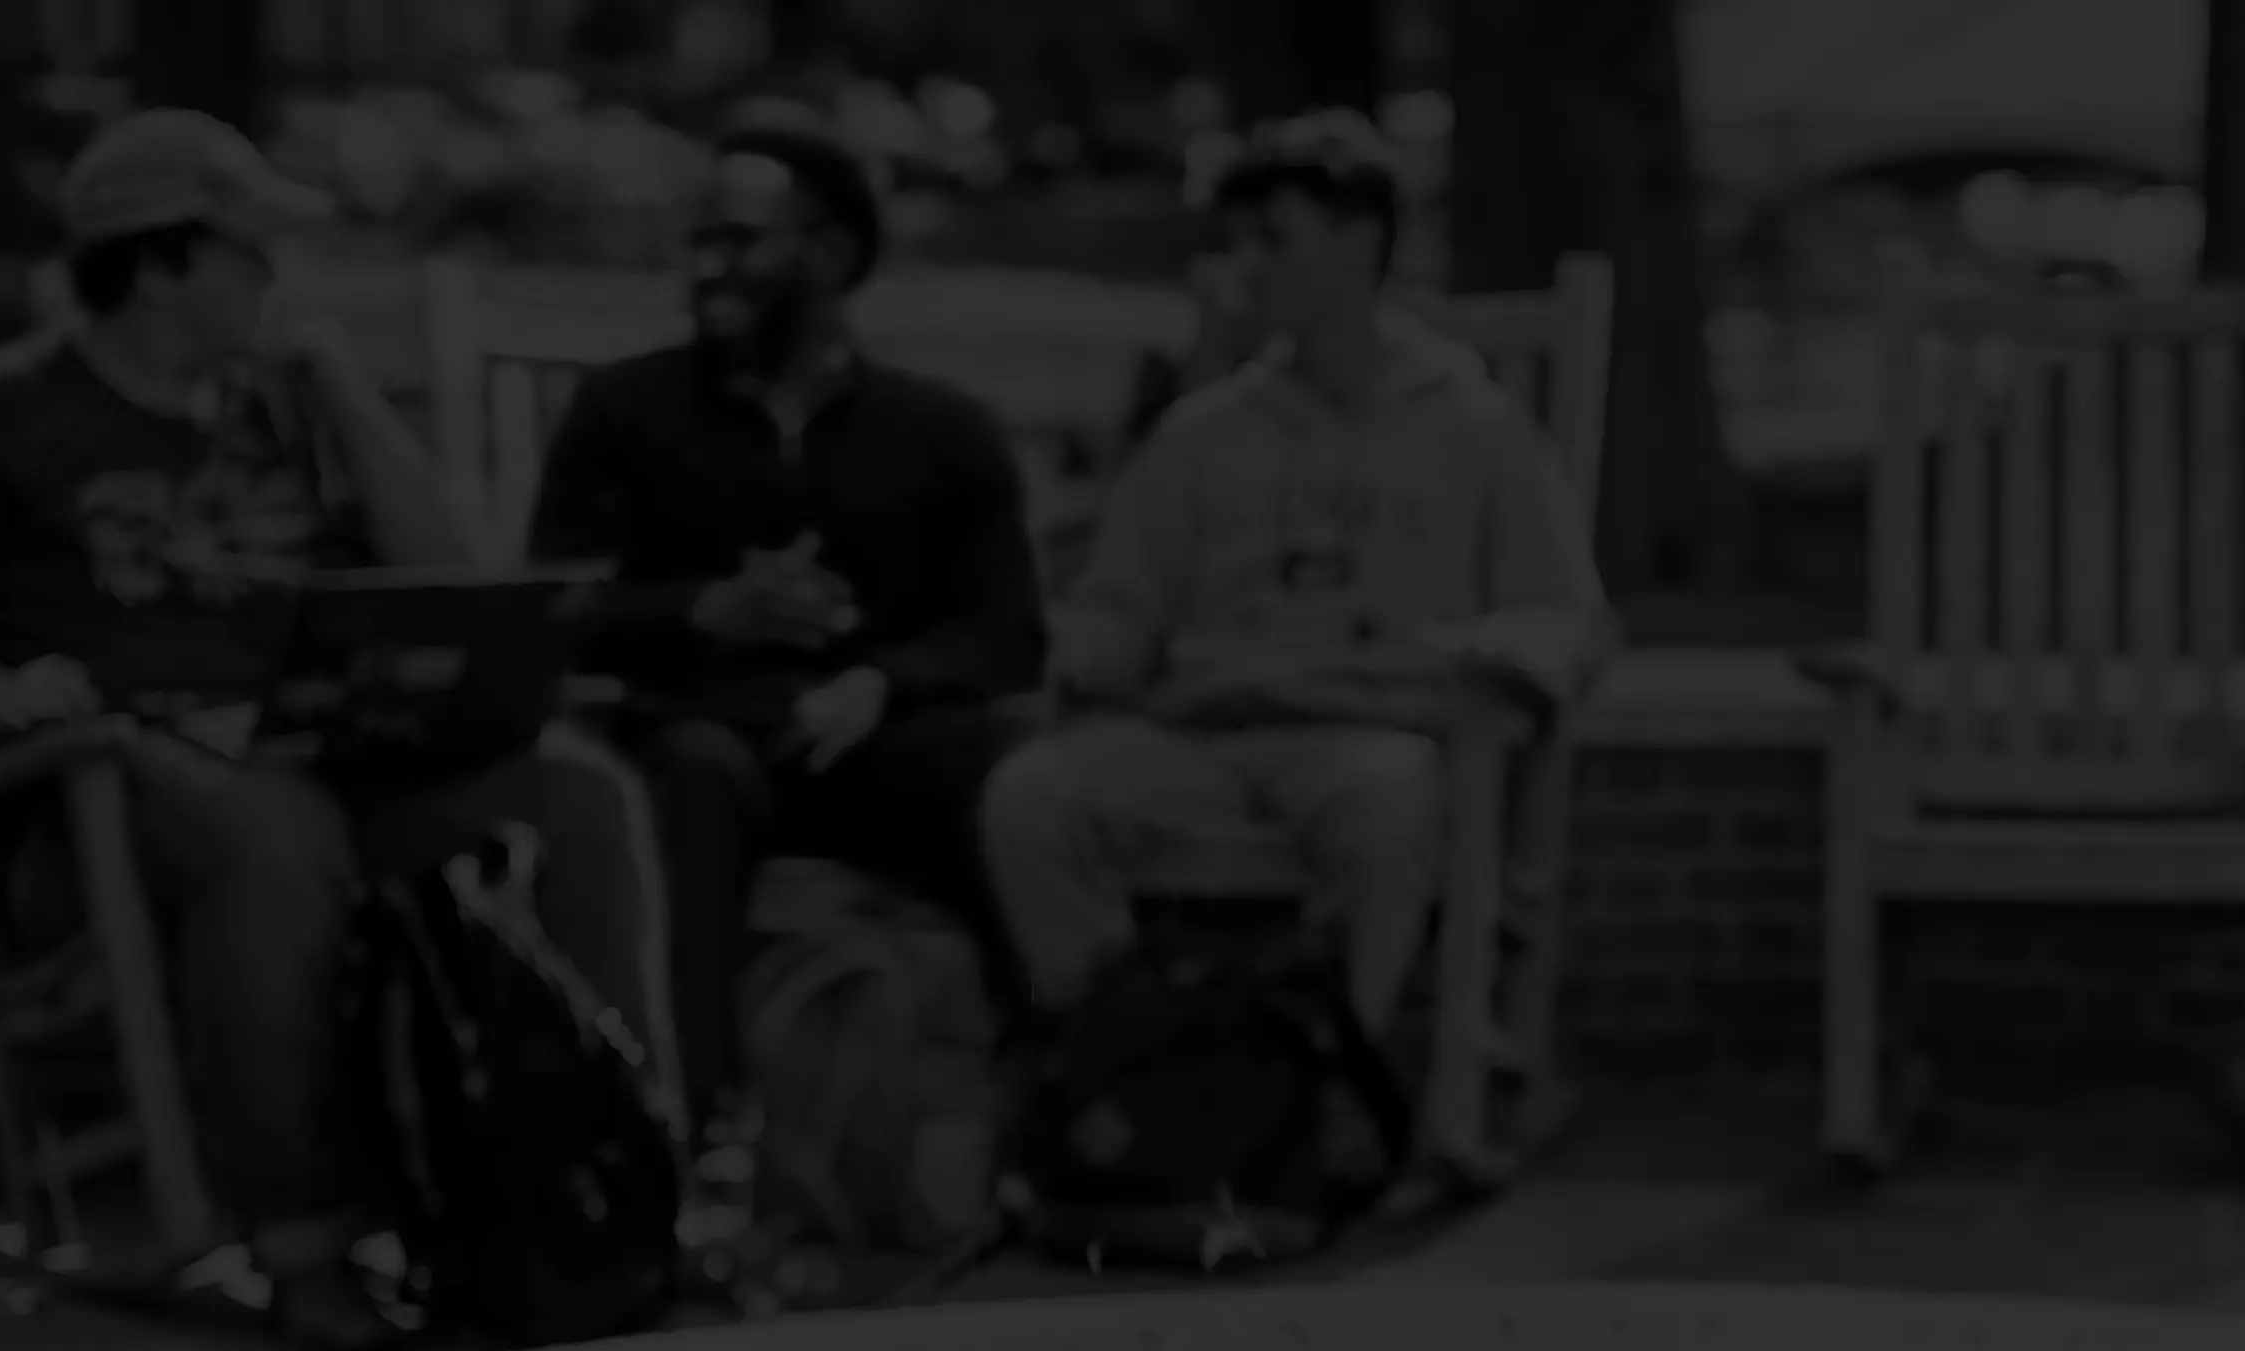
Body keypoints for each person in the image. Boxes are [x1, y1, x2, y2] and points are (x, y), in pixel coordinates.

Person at [0, 109, 670, 1351]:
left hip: (327, 757)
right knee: (273, 832)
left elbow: (445, 573)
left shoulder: (284, 409)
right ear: (159, 263)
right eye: (250, 251)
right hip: (103, 792)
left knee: (575, 793)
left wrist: (342, 391)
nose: (276, 277)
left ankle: (624, 1174)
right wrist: (6, 699)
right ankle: (304, 1243)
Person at [985, 119, 1610, 1037]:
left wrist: (1478, 659)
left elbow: (1561, 616)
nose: (1244, 266)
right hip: (1200, 734)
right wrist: (1071, 653)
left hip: (1370, 738)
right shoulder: (1203, 434)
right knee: (1031, 800)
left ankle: (1336, 1074)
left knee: (1386, 808)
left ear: (1360, 243)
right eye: (1235, 241)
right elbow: (1122, 607)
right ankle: (1121, 1060)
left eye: (1273, 239)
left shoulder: (1474, 427)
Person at [522, 126, 1050, 1166]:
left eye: (741, 239)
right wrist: (702, 611)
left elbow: (1005, 634)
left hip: (874, 744)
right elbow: (553, 611)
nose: (708, 267)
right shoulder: (624, 414)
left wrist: (879, 680)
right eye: (700, 240)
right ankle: (691, 1131)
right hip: (698, 731)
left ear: (832, 253)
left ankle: (1035, 1112)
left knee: (1005, 776)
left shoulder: (943, 433)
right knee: (688, 781)